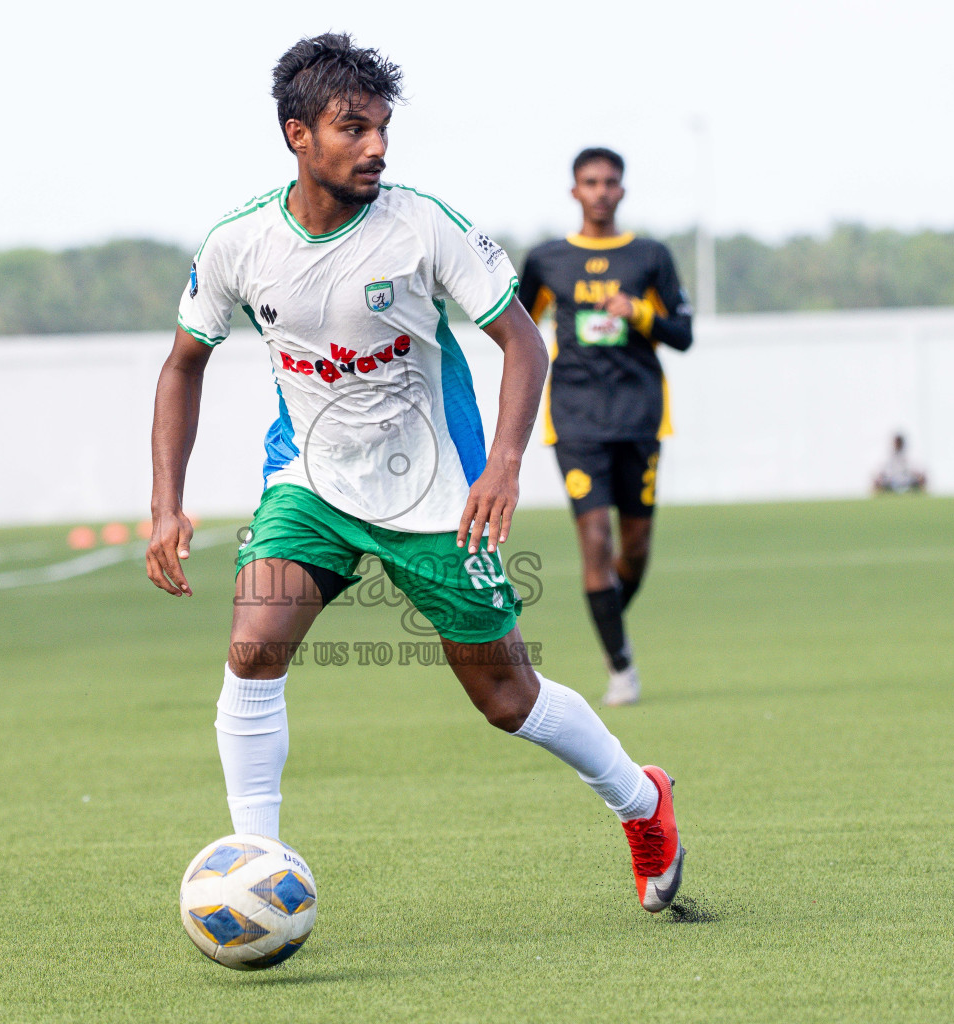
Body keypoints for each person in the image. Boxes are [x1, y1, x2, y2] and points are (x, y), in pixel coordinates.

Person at [146, 34, 683, 913]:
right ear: (297, 135)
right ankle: (257, 867)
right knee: (253, 649)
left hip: (436, 495)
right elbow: (182, 366)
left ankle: (640, 799)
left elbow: (524, 342)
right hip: (310, 484)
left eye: (382, 129)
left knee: (507, 698)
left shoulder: (425, 226)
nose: (377, 147)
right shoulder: (240, 243)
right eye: (352, 129)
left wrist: (503, 464)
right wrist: (166, 503)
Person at [517, 149, 693, 707]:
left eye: (610, 182)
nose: (600, 191)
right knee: (595, 539)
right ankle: (621, 667)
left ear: (622, 191)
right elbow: (517, 329)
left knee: (634, 550)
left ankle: (609, 623)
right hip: (576, 420)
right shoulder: (548, 260)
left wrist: (639, 312)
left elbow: (683, 334)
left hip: (640, 416)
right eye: (590, 182)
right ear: (575, 191)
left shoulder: (649, 256)